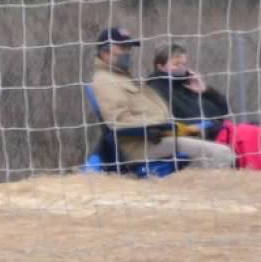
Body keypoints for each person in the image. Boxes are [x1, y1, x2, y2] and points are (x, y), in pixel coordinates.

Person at [90, 26, 235, 170]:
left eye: (129, 48)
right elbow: (118, 120)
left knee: (219, 147)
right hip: (142, 146)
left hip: (159, 137)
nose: (127, 52)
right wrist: (159, 126)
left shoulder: (121, 77)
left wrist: (206, 92)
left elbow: (220, 109)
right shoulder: (105, 81)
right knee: (221, 154)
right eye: (122, 48)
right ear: (105, 53)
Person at [151, 44, 261, 171]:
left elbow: (222, 110)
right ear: (160, 67)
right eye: (176, 64)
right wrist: (210, 123)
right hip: (202, 134)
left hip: (220, 129)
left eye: (184, 64)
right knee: (251, 134)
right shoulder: (156, 89)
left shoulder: (186, 86)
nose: (182, 68)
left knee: (253, 129)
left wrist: (206, 90)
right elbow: (186, 118)